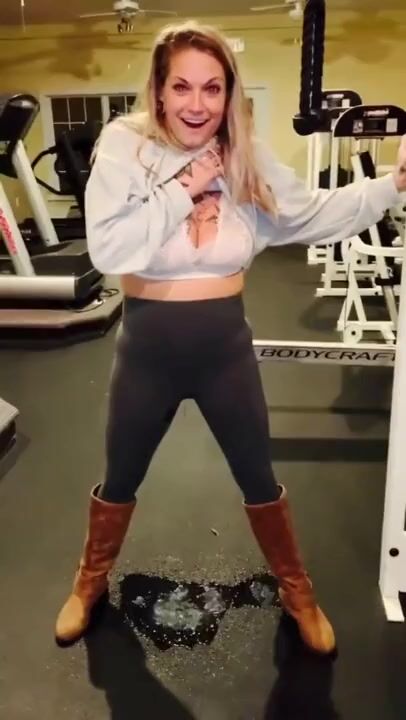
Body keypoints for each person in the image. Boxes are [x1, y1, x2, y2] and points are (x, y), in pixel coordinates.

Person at [55, 20, 406, 654]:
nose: (198, 104)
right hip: (147, 348)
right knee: (121, 474)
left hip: (224, 349)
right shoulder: (125, 146)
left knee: (258, 474)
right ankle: (89, 581)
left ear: (228, 92)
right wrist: (186, 187)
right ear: (159, 90)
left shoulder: (244, 153)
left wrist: (391, 186)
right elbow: (109, 247)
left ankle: (297, 590)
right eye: (182, 87)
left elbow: (308, 214)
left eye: (212, 88)